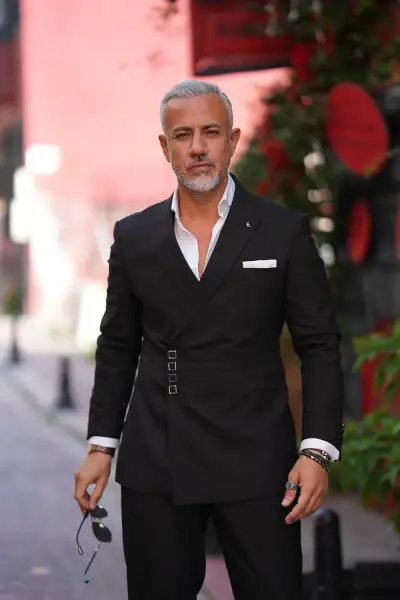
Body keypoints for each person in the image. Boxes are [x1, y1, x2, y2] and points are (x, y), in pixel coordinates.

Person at [74, 80, 345, 600]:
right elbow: (117, 347)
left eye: (211, 132)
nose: (197, 147)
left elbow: (320, 346)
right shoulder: (134, 237)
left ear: (233, 140)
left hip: (258, 460)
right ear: (165, 147)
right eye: (183, 135)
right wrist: (100, 446)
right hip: (159, 458)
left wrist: (317, 451)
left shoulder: (281, 231)